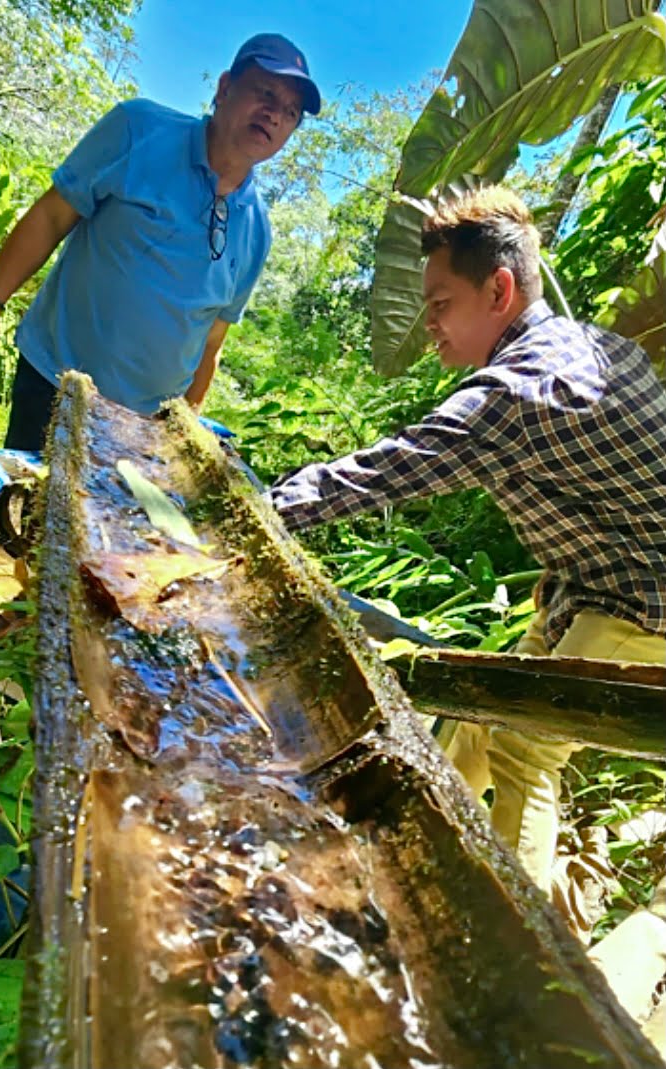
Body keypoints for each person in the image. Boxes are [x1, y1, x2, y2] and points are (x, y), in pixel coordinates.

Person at [267, 186, 666, 897]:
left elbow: (380, 473)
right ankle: (406, 863)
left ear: (498, 290)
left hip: (645, 608)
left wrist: (255, 512)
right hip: (596, 586)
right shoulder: (597, 347)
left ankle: (520, 970)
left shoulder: (515, 391)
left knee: (523, 750)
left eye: (440, 304)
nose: (429, 329)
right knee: (481, 723)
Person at [0, 33, 320, 451]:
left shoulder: (257, 230)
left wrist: (183, 429)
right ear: (224, 88)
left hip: (139, 431)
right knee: (28, 513)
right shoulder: (139, 130)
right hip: (54, 384)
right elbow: (51, 215)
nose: (274, 114)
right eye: (265, 93)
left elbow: (212, 340)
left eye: (290, 112)